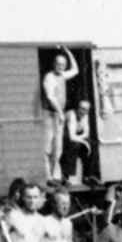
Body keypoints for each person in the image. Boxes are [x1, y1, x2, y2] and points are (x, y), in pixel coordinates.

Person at [42, 46, 79, 180]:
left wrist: (68, 52)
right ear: (54, 64)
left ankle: (55, 176)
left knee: (58, 148)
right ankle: (48, 177)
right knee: (47, 148)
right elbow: (50, 97)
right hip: (49, 114)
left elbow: (75, 70)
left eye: (63, 64)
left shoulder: (63, 75)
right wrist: (60, 112)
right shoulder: (49, 77)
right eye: (58, 64)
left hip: (58, 115)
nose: (61, 66)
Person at [62, 100, 94, 185]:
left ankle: (87, 176)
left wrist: (84, 142)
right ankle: (66, 177)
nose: (84, 112)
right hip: (64, 139)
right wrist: (84, 142)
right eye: (82, 109)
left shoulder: (85, 116)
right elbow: (71, 137)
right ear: (77, 108)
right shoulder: (71, 114)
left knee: (92, 145)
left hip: (76, 138)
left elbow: (86, 133)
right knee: (75, 145)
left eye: (87, 110)